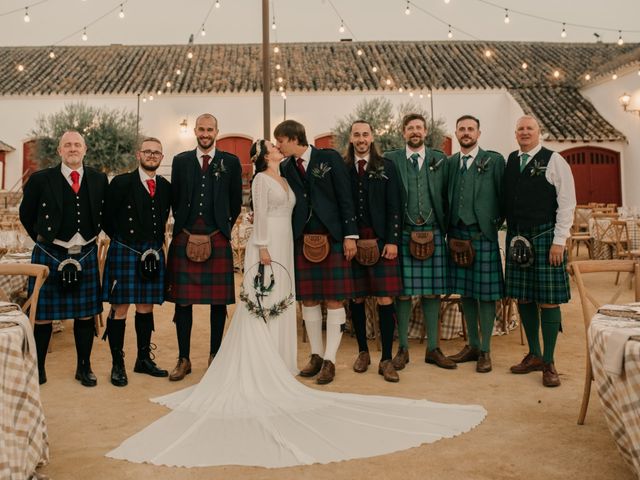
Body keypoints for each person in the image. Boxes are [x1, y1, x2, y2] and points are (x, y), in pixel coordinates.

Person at [105, 140, 486, 468]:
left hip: (289, 247)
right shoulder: (259, 178)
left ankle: (282, 359)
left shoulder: (285, 174)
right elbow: (258, 218)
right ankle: (259, 361)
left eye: (277, 144)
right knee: (264, 305)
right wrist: (263, 250)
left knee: (285, 305)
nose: (277, 147)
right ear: (263, 154)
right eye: (271, 146)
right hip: (269, 250)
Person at [19, 130, 108, 386]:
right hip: (50, 252)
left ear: (85, 149)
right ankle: (39, 369)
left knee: (85, 314)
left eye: (77, 145)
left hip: (86, 251)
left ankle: (84, 367)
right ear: (59, 151)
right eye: (67, 145)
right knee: (44, 315)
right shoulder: (40, 179)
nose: (72, 149)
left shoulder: (98, 178)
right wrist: (42, 240)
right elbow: (26, 214)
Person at [276, 119, 357, 385]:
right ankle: (316, 355)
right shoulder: (285, 166)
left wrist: (350, 236)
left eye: (281, 141)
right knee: (308, 299)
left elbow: (346, 197)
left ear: (293, 137)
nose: (278, 146)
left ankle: (331, 359)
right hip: (301, 239)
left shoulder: (328, 158)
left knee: (334, 299)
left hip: (331, 237)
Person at [165, 113, 243, 381]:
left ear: (217, 131)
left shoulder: (230, 162)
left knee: (218, 302)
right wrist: (185, 227)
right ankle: (183, 359)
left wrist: (222, 229)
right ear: (195, 131)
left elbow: (235, 202)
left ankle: (215, 357)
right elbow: (176, 197)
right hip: (186, 234)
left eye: (210, 129)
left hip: (217, 235)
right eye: (201, 129)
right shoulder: (181, 161)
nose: (205, 133)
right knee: (182, 302)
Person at [505, 115, 576, 387]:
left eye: (529, 129)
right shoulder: (512, 160)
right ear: (516, 133)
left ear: (539, 132)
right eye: (520, 128)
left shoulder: (555, 160)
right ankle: (533, 354)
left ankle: (548, 361)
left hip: (547, 238)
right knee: (523, 297)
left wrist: (560, 240)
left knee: (548, 299)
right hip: (517, 238)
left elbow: (567, 203)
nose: (524, 132)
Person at [384, 114, 455, 370]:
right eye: (410, 128)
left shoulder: (439, 159)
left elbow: (448, 194)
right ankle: (402, 348)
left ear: (425, 132)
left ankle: (433, 348)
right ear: (403, 132)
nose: (415, 132)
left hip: (433, 230)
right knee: (402, 293)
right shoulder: (391, 159)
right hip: (404, 231)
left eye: (419, 128)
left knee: (433, 292)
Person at [101, 137, 171, 386]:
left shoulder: (165, 186)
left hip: (151, 252)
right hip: (125, 249)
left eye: (157, 153)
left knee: (146, 305)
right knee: (120, 307)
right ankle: (117, 363)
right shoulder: (121, 183)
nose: (152, 155)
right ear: (138, 155)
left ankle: (143, 359)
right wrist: (122, 242)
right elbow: (106, 219)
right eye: (148, 151)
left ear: (161, 158)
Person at [445, 115, 505, 373]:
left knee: (487, 296)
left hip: (483, 237)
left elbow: (503, 197)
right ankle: (472, 345)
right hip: (457, 236)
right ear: (456, 133)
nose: (466, 133)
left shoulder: (494, 160)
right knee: (466, 293)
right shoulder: (450, 163)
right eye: (462, 129)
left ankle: (486, 351)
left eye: (471, 129)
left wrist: (491, 224)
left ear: (479, 133)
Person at [345, 120, 402, 382]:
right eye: (357, 135)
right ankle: (363, 352)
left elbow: (395, 206)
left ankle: (387, 359)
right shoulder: (343, 168)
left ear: (372, 137)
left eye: (365, 134)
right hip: (353, 241)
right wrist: (347, 237)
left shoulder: (387, 166)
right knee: (356, 298)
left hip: (380, 240)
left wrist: (392, 240)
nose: (361, 139)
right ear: (351, 137)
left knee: (385, 298)